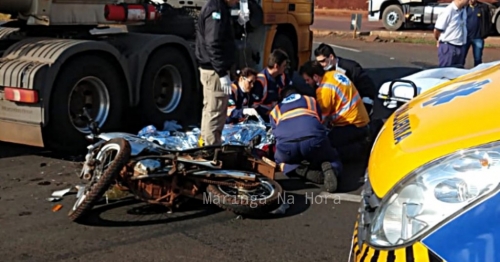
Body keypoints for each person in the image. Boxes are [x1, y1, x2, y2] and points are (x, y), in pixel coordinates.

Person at [269, 85, 343, 193]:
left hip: (287, 145)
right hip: (313, 139)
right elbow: (318, 120)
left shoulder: (276, 110)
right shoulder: (310, 100)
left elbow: (275, 134)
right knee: (331, 156)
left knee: (280, 162)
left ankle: (299, 170)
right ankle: (331, 166)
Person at [299, 61, 371, 162]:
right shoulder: (333, 74)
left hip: (351, 125)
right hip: (361, 119)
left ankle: (361, 148)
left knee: (327, 146)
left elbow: (321, 120)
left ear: (315, 77)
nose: (306, 83)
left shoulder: (324, 90)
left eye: (307, 80)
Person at [195, 0, 239, 146]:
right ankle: (211, 149)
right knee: (216, 112)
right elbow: (213, 43)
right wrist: (221, 72)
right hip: (214, 71)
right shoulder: (216, 9)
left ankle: (205, 144)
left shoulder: (218, 7)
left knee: (210, 109)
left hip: (211, 68)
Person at [314, 43, 376, 115]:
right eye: (318, 62)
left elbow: (367, 88)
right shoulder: (321, 70)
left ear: (331, 57)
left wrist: (366, 109)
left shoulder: (351, 67)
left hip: (355, 109)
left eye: (323, 61)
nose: (321, 64)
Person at [253, 49, 293, 122]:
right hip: (264, 117)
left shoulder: (282, 76)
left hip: (278, 111)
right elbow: (255, 105)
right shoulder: (260, 80)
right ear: (276, 66)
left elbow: (290, 91)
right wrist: (270, 113)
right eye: (284, 66)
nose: (285, 68)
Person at [433, 0, 469, 68]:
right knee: (445, 72)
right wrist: (438, 39)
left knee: (458, 73)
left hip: (461, 46)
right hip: (449, 47)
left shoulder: (463, 10)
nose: (469, 1)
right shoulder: (448, 11)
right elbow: (437, 30)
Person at [462, 0, 491, 66]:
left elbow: (487, 21)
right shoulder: (464, 8)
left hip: (478, 38)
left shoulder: (482, 8)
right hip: (465, 38)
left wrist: (485, 33)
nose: (471, 0)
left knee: (478, 59)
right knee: (461, 58)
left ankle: (477, 74)